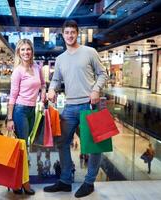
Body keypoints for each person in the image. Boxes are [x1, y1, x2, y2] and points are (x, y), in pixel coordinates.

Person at [44, 20, 108, 198]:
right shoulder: (60, 59)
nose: (70, 35)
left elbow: (103, 73)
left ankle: (89, 182)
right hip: (70, 106)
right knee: (62, 142)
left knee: (94, 146)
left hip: (90, 105)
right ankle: (65, 181)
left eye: (73, 32)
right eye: (67, 33)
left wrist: (96, 89)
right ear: (62, 35)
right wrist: (51, 89)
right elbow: (56, 79)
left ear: (77, 33)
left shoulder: (90, 52)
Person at [7, 38, 46, 196]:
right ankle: (24, 183)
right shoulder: (18, 71)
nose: (25, 52)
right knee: (22, 148)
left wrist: (43, 93)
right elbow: (12, 96)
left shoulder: (37, 67)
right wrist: (9, 118)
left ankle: (18, 181)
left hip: (32, 111)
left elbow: (43, 84)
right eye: (22, 49)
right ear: (18, 52)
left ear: (32, 51)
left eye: (28, 49)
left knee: (25, 147)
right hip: (20, 111)